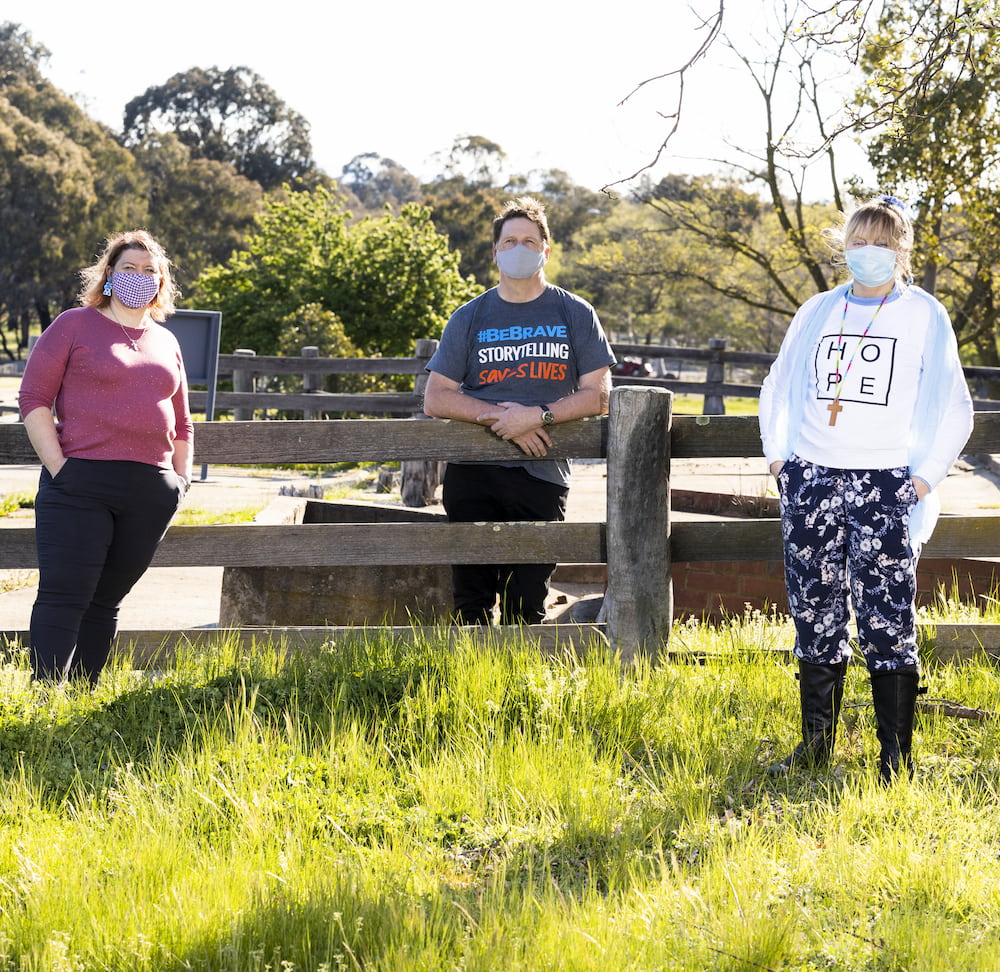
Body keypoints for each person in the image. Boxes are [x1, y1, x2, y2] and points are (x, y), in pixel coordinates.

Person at [759, 195, 974, 783]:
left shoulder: (924, 315)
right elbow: (776, 386)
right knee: (814, 612)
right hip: (812, 480)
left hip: (886, 485)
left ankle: (894, 758)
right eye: (859, 240)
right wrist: (781, 459)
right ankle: (816, 746)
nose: (869, 251)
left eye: (882, 241)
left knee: (887, 618)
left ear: (902, 250)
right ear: (844, 246)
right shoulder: (817, 311)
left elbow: (958, 408)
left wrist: (924, 478)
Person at [424, 197, 615, 625]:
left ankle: (517, 689)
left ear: (546, 250)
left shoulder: (575, 312)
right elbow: (436, 397)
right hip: (472, 471)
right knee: (470, 604)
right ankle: (467, 685)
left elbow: (599, 395)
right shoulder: (469, 317)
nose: (518, 248)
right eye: (509, 241)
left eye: (529, 241)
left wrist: (538, 416)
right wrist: (506, 420)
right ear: (495, 252)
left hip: (540, 470)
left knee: (525, 605)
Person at [18, 230, 193, 685]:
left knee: (105, 600)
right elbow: (34, 398)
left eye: (149, 271)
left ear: (161, 283)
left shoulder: (166, 342)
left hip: (151, 490)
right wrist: (61, 469)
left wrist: (180, 481)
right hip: (79, 484)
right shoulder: (74, 325)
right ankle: (43, 703)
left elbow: (183, 422)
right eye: (129, 269)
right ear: (110, 275)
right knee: (64, 594)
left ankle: (81, 698)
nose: (140, 277)